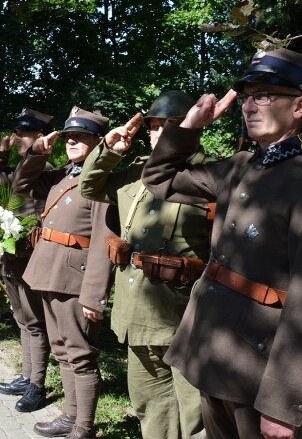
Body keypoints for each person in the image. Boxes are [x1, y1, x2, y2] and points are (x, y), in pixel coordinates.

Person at [141, 47, 302, 439]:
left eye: (264, 95)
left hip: (257, 370)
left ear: (300, 106)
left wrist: (283, 402)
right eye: (246, 96)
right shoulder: (240, 167)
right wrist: (189, 126)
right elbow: (159, 179)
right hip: (211, 350)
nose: (249, 106)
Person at [79, 90, 210, 439]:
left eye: (167, 126)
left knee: (197, 414)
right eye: (152, 127)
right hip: (137, 312)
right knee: (149, 406)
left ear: (191, 129)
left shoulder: (209, 177)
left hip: (186, 318)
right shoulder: (136, 172)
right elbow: (89, 186)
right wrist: (109, 149)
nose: (157, 134)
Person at [13, 107, 116, 439]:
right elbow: (22, 184)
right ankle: (69, 416)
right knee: (61, 347)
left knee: (80, 354)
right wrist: (36, 154)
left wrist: (94, 294)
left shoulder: (100, 181)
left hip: (75, 279)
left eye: (81, 136)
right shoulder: (63, 174)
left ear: (98, 142)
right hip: (49, 271)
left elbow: (104, 239)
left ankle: (83, 427)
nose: (72, 141)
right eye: (69, 136)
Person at [0, 108, 54, 413]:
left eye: (24, 134)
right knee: (21, 317)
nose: (18, 138)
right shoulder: (19, 167)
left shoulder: (45, 169)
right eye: (17, 133)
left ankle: (36, 384)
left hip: (30, 256)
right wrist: (1, 151)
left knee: (35, 321)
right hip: (12, 256)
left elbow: (39, 215)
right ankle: (26, 375)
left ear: (40, 137)